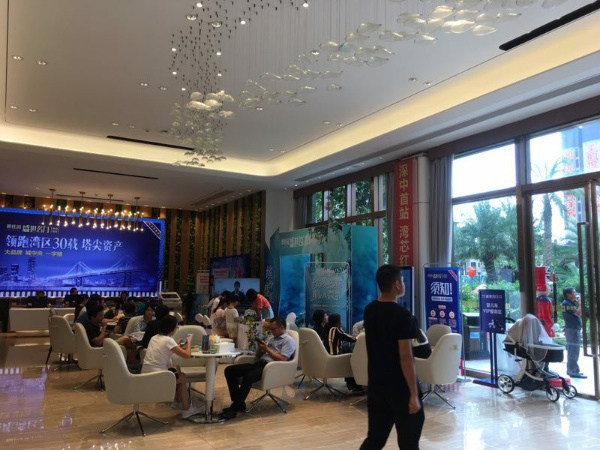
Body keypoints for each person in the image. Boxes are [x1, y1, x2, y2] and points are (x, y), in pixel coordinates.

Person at [360, 264, 423, 450]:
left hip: (377, 386)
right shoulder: (403, 316)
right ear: (396, 284)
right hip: (400, 388)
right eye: (402, 280)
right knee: (409, 442)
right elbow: (406, 357)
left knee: (375, 439)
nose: (403, 283)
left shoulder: (369, 310)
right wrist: (414, 394)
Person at [221, 317, 295, 420]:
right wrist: (260, 349)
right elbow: (258, 356)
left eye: (273, 329)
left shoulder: (288, 340)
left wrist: (267, 350)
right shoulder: (271, 338)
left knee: (248, 376)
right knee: (229, 370)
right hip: (259, 364)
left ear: (282, 327)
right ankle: (238, 403)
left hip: (271, 368)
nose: (271, 331)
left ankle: (235, 408)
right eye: (270, 329)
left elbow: (283, 359)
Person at [142, 315, 201, 419]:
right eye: (176, 327)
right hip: (157, 376)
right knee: (182, 378)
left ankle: (177, 402)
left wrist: (176, 344)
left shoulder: (154, 337)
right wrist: (189, 342)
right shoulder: (168, 340)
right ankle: (187, 409)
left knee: (176, 368)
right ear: (172, 328)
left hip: (146, 374)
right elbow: (186, 355)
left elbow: (166, 348)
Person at [326, 313, 361, 392]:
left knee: (347, 349)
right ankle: (355, 386)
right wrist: (358, 338)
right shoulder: (335, 329)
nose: (341, 322)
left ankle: (350, 383)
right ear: (336, 322)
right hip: (334, 358)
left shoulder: (328, 328)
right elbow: (350, 338)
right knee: (352, 360)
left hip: (328, 357)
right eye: (340, 320)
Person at [562, 288, 586, 378]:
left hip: (572, 329)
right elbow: (578, 313)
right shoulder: (566, 304)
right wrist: (580, 303)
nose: (576, 294)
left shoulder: (568, 303)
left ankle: (574, 370)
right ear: (568, 294)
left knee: (574, 350)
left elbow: (578, 314)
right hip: (572, 330)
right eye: (574, 292)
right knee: (573, 351)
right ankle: (572, 371)